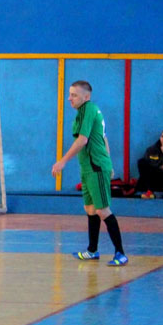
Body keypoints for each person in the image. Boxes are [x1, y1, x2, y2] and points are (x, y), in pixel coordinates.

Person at [52, 80, 128, 266]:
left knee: (102, 210)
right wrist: (110, 163)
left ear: (86, 97)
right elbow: (103, 138)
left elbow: (82, 140)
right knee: (90, 209)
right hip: (87, 167)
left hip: (96, 167)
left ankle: (121, 253)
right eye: (69, 94)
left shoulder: (88, 109)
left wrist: (62, 161)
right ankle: (92, 250)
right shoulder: (84, 112)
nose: (69, 98)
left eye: (74, 95)